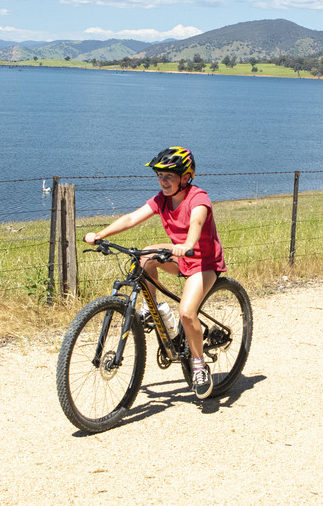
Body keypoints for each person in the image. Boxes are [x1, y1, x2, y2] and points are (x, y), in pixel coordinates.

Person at [84, 146, 225, 398]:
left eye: (169, 176)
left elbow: (196, 222)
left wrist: (188, 245)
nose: (163, 181)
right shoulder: (162, 200)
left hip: (203, 262)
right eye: (159, 176)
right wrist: (100, 235)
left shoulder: (198, 198)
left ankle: (199, 365)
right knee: (145, 255)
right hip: (180, 256)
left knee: (186, 312)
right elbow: (131, 218)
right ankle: (152, 310)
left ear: (185, 177)